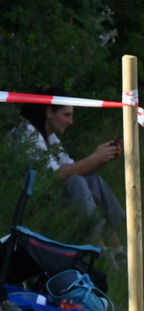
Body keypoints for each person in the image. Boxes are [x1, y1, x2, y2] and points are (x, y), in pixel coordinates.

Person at [15, 86, 126, 253]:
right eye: (67, 115)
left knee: (93, 181)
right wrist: (95, 158)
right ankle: (99, 250)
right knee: (76, 182)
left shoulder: (50, 137)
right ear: (50, 112)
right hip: (28, 205)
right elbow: (57, 175)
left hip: (45, 198)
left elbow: (73, 168)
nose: (71, 121)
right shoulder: (27, 133)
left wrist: (104, 158)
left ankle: (118, 250)